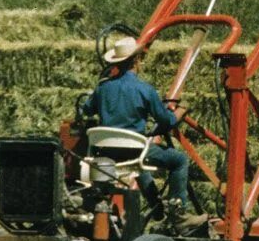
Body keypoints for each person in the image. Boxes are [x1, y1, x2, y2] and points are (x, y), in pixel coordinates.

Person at [82, 36, 195, 220]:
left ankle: (156, 207)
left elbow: (86, 109)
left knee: (137, 163)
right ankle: (179, 213)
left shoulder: (102, 88)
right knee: (179, 160)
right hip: (134, 152)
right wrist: (180, 112)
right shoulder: (145, 90)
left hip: (105, 153)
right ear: (136, 60)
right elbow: (166, 121)